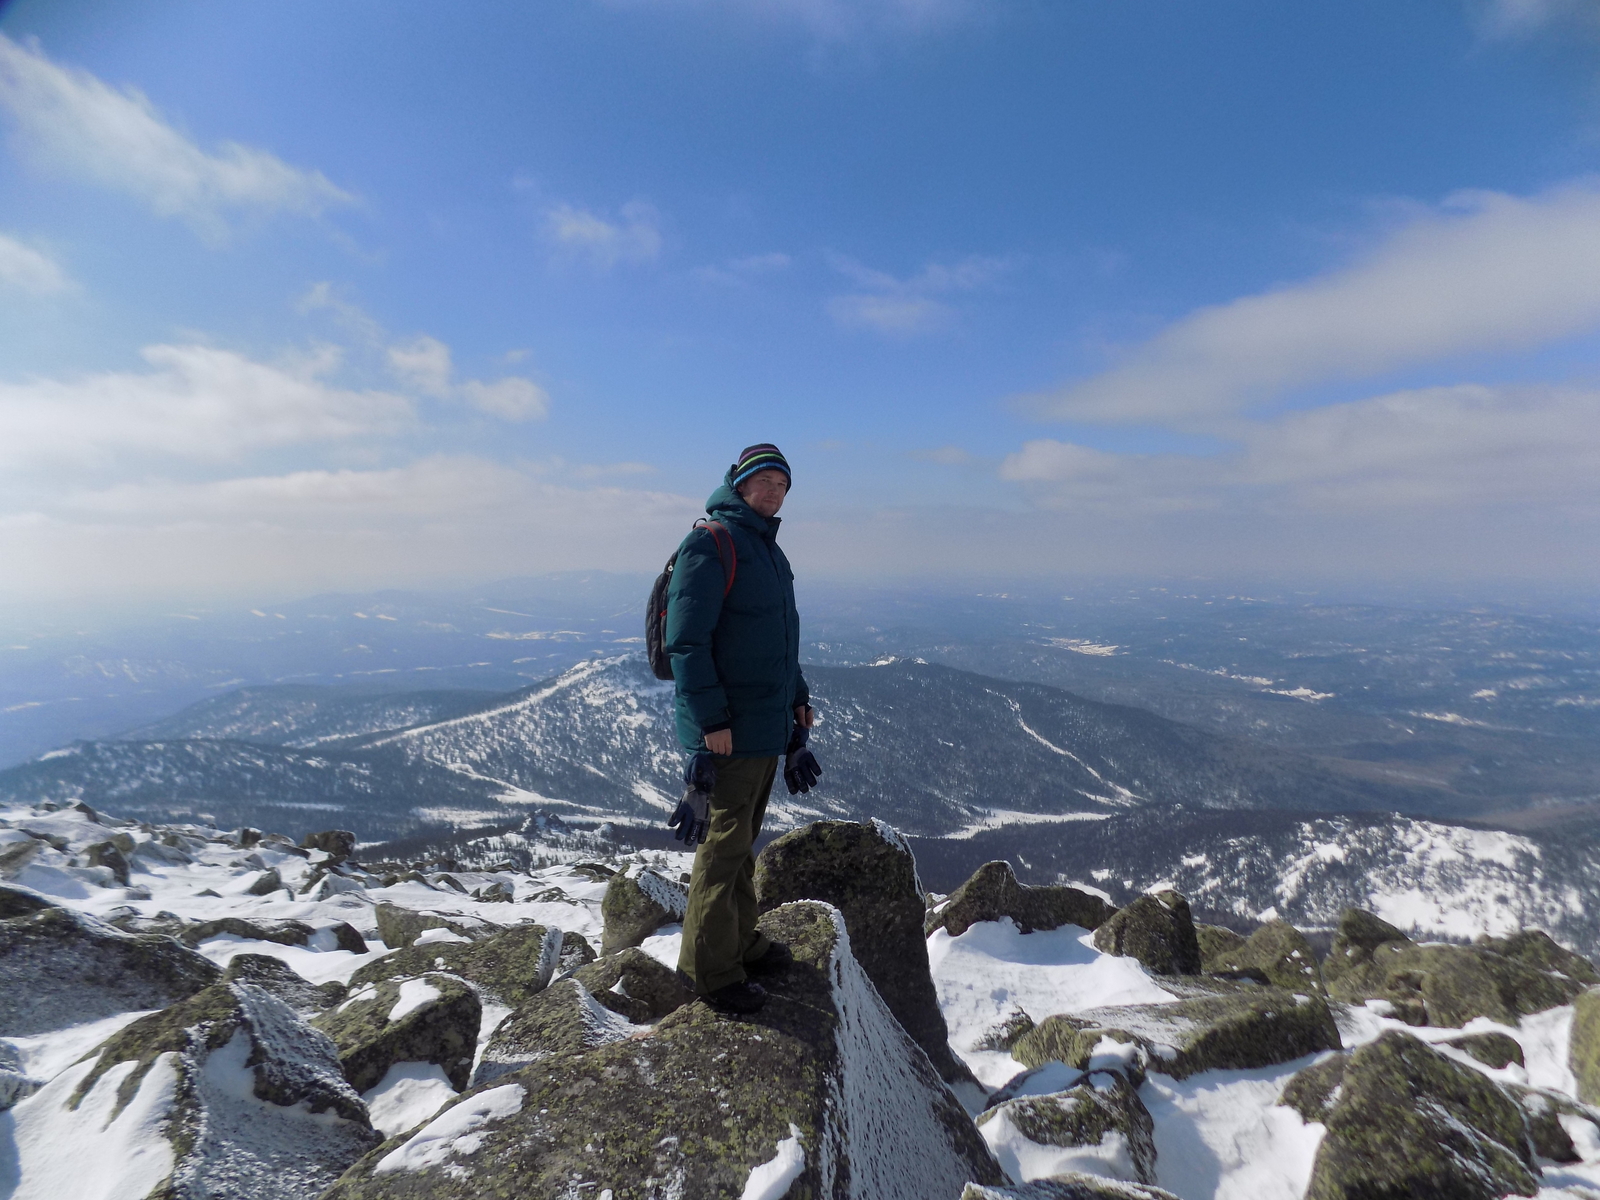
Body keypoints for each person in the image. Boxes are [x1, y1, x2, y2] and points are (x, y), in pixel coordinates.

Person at [663, 443, 816, 1014]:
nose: (775, 492)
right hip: (728, 732)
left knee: (741, 845)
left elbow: (780, 642)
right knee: (722, 851)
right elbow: (687, 644)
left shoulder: (769, 552)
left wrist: (796, 703)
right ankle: (710, 970)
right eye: (765, 482)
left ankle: (742, 941)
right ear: (740, 484)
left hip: (763, 728)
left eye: (783, 485)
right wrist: (712, 725)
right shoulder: (712, 543)